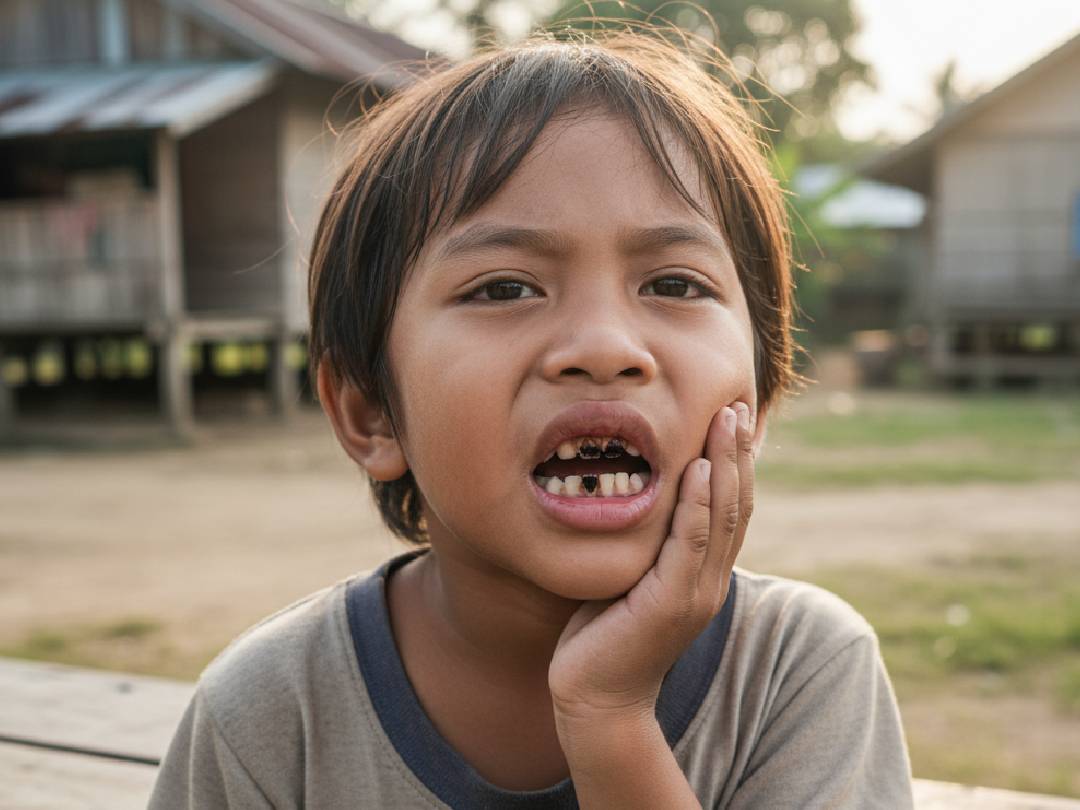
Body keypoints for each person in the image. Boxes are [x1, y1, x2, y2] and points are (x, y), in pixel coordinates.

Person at [149, 28, 914, 809]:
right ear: (371, 411)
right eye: (505, 289)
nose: (605, 348)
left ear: (759, 383)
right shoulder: (272, 716)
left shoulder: (798, 671)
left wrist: (609, 718)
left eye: (676, 284)